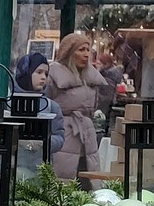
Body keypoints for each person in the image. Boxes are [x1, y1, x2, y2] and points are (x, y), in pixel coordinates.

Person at [45, 30, 111, 180]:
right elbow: (45, 104)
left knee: (88, 179)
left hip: (87, 133)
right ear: (69, 52)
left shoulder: (91, 77)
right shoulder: (53, 75)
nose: (86, 54)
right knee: (61, 179)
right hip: (64, 132)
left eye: (88, 50)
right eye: (81, 50)